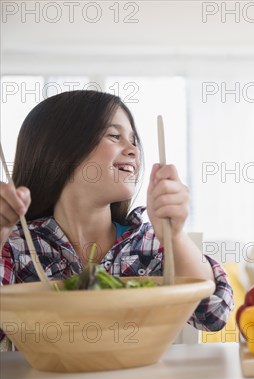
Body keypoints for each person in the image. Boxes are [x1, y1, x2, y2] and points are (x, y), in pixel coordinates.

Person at [0, 90, 233, 335]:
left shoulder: (149, 245)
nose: (133, 150)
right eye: (114, 136)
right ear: (59, 152)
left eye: (134, 140)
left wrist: (175, 236)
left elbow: (213, 314)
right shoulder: (15, 246)